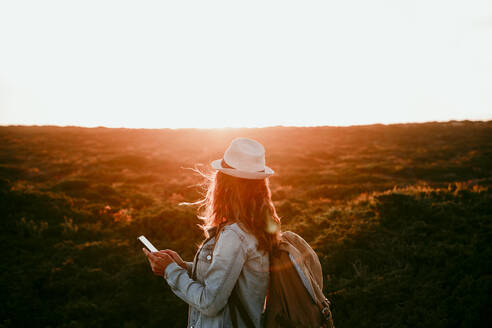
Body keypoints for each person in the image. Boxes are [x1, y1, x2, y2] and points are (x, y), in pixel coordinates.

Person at [143, 137, 281, 328]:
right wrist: (184, 267)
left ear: (224, 184)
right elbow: (230, 279)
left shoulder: (235, 235)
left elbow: (210, 302)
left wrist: (170, 271)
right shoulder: (257, 228)